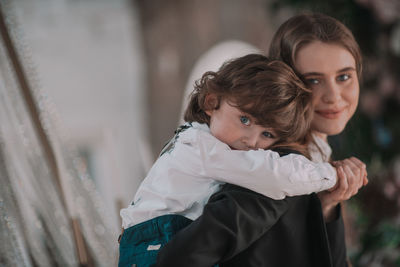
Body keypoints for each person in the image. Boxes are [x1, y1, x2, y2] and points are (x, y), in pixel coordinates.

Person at [156, 13, 368, 267]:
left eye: (344, 77)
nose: (333, 96)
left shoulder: (313, 158)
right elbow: (180, 258)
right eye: (313, 80)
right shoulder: (273, 164)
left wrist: (326, 206)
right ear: (285, 85)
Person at [118, 54, 341, 267]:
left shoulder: (200, 140)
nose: (252, 141)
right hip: (153, 244)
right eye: (245, 119)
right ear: (211, 102)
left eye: (268, 135)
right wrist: (331, 174)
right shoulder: (202, 148)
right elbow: (273, 174)